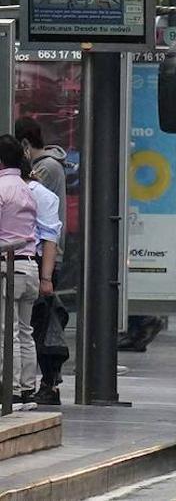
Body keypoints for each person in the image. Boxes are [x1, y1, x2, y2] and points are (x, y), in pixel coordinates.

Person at [15, 117, 69, 400]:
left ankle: (45, 384)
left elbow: (36, 218)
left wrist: (46, 274)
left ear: (24, 145)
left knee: (36, 325)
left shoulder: (43, 170)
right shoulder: (51, 166)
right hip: (44, 258)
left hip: (40, 257)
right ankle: (42, 384)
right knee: (36, 324)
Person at [0, 135, 41, 411]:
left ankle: (10, 392)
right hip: (30, 266)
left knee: (7, 332)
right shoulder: (28, 189)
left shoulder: (1, 188)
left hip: (8, 266)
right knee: (26, 331)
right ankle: (27, 391)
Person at [22, 158, 64, 405]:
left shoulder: (20, 192)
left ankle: (23, 386)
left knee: (23, 330)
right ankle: (34, 386)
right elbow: (51, 237)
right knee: (29, 331)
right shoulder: (44, 194)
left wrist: (45, 278)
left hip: (30, 264)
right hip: (37, 266)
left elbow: (49, 237)